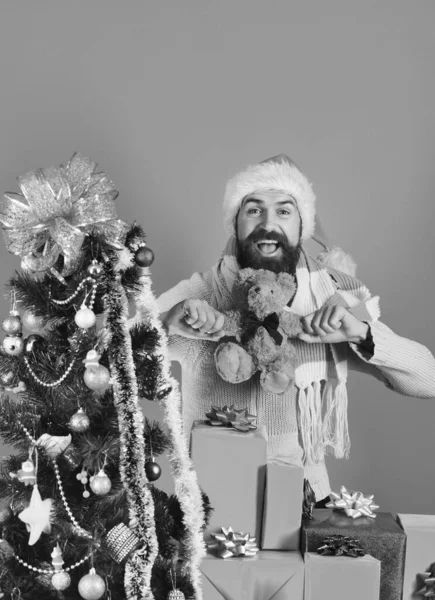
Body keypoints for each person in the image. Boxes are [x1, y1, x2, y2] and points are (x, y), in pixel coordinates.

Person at [157, 154, 435, 503]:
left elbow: (428, 379)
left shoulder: (331, 299)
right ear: (236, 223)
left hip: (302, 504)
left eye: (284, 211)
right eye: (253, 210)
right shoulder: (204, 293)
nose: (267, 223)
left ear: (302, 226)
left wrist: (360, 335)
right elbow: (108, 364)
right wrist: (166, 325)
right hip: (213, 505)